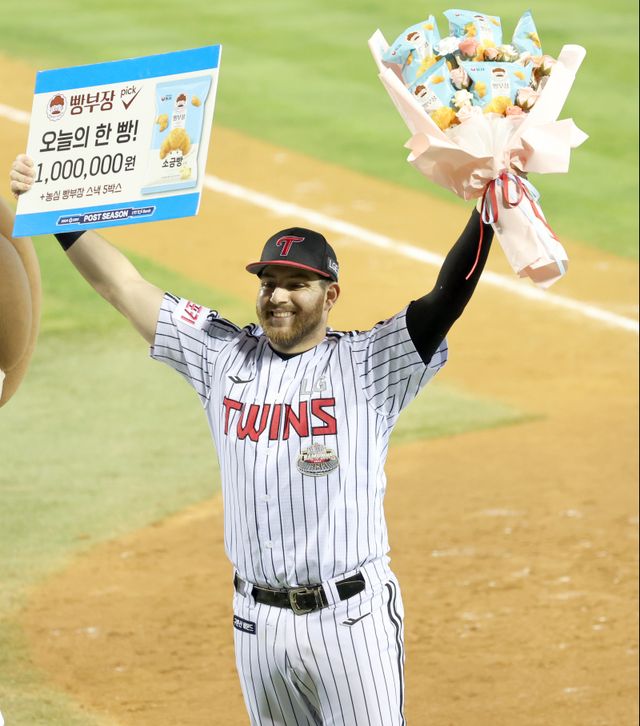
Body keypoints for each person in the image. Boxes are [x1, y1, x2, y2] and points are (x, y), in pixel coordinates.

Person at [10, 152, 493, 725]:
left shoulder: (370, 365)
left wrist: (488, 213)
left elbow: (446, 296)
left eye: (296, 284)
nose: (277, 296)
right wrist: (55, 209)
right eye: (268, 283)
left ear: (330, 296)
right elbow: (122, 285)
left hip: (351, 621)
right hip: (256, 622)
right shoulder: (220, 354)